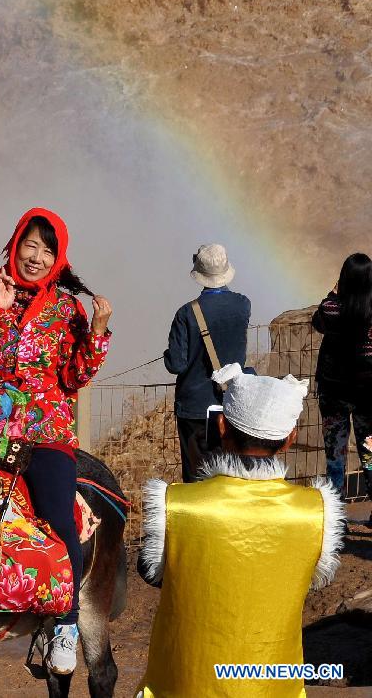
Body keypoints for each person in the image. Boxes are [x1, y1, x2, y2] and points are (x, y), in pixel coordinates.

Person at [0, 207, 112, 674]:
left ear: (58, 259)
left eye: (47, 250)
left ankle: (64, 624)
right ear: (15, 244)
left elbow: (75, 375)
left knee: (60, 518)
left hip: (45, 435)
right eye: (31, 245)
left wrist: (97, 333)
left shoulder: (67, 309)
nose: (36, 257)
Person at [135, 364, 345, 698]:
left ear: (221, 425)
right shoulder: (315, 512)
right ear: (290, 438)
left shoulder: (176, 504)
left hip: (183, 684)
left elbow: (152, 572)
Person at [164, 244, 251, 481]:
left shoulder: (186, 313)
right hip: (231, 403)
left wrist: (168, 354)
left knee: (197, 477)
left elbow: (176, 364)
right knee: (230, 475)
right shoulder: (243, 305)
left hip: (195, 408)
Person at [312, 252, 372, 507]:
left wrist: (334, 292)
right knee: (370, 455)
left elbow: (318, 321)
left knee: (335, 456)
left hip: (334, 393)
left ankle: (336, 515)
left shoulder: (332, 308)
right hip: (367, 396)